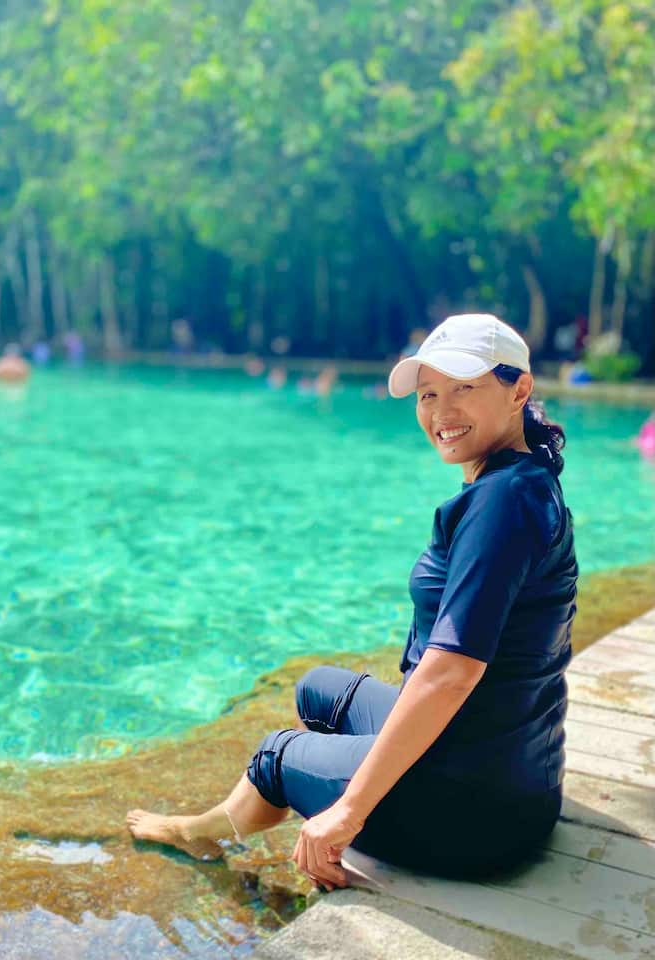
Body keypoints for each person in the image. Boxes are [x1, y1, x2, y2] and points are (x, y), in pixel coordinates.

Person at [127, 313, 578, 888]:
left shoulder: (502, 503)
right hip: (517, 781)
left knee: (276, 755)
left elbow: (450, 674)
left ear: (519, 389)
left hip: (476, 818)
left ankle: (202, 832)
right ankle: (344, 781)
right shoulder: (526, 479)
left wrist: (349, 810)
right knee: (317, 689)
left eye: (463, 388)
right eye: (428, 394)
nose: (441, 412)